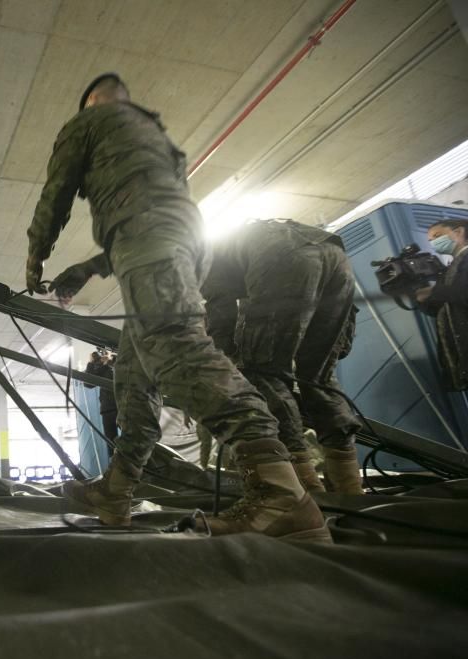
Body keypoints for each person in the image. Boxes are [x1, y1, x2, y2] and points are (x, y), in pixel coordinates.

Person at [26, 73, 328, 541]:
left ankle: (280, 493)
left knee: (176, 348)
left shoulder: (90, 122)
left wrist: (36, 252)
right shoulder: (156, 142)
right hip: (179, 243)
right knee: (134, 372)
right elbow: (157, 220)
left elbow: (57, 192)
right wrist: (90, 267)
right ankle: (118, 490)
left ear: (92, 101)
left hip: (149, 240)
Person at [200, 219, 363, 495]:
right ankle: (349, 485)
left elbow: (221, 316)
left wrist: (227, 360)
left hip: (283, 256)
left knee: (262, 372)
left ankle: (306, 488)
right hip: (334, 254)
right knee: (318, 375)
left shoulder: (201, 262)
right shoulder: (233, 241)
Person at [416, 218, 468, 413]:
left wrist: (438, 292)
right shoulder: (450, 271)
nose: (433, 242)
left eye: (437, 236)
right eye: (430, 239)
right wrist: (420, 297)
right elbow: (441, 309)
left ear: (458, 232)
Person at [84, 349, 118, 451]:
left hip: (122, 408)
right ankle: (115, 462)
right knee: (111, 443)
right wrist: (91, 363)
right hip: (108, 409)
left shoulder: (121, 362)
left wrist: (109, 361)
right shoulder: (105, 368)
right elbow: (88, 383)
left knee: (130, 440)